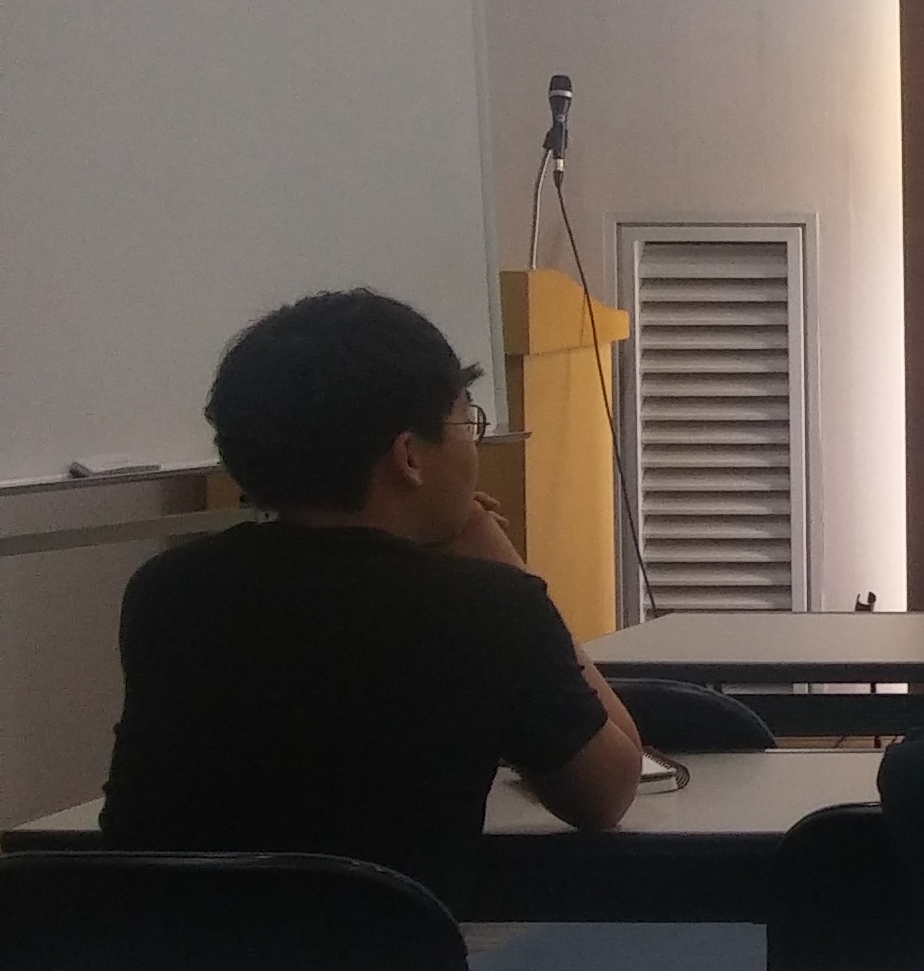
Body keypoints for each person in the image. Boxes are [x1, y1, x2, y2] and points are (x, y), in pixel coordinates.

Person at [104, 289, 643, 909]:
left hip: (164, 956)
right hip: (389, 962)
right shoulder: (487, 607)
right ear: (409, 455)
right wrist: (501, 559)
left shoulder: (167, 590)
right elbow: (609, 790)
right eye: (466, 422)